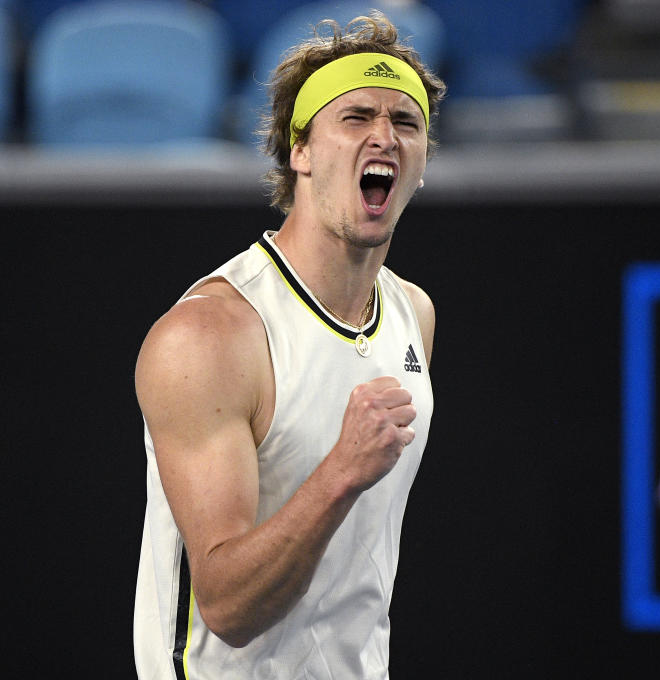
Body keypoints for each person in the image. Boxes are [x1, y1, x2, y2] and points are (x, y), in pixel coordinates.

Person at [133, 13, 446, 679]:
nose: (384, 136)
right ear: (300, 151)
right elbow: (227, 605)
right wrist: (342, 470)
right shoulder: (208, 337)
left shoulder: (412, 315)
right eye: (357, 117)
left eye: (406, 122)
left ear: (421, 166)